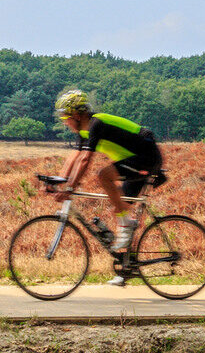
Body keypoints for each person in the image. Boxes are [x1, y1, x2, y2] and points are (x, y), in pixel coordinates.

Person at [50, 89, 164, 258]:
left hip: (146, 156)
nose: (64, 122)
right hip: (132, 160)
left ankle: (127, 226)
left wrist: (70, 187)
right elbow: (74, 158)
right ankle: (127, 268)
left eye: (65, 118)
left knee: (104, 175)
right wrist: (57, 181)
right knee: (119, 208)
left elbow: (85, 160)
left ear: (76, 115)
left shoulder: (97, 124)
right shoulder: (84, 132)